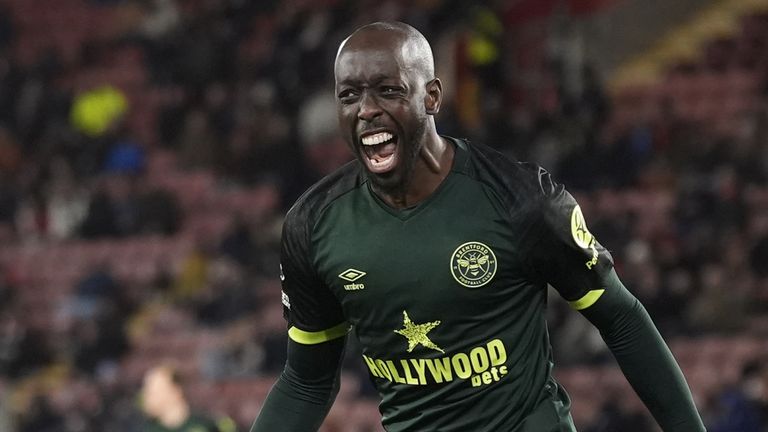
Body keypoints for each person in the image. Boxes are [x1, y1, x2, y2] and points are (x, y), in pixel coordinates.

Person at [251, 21, 705, 431]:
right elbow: (307, 384)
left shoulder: (522, 201)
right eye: (349, 95)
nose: (366, 110)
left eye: (387, 91)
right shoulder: (313, 227)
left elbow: (622, 320)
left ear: (431, 96)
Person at [141, 364, 235, 432]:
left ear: (175, 390)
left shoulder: (208, 424)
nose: (147, 396)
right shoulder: (148, 429)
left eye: (154, 391)